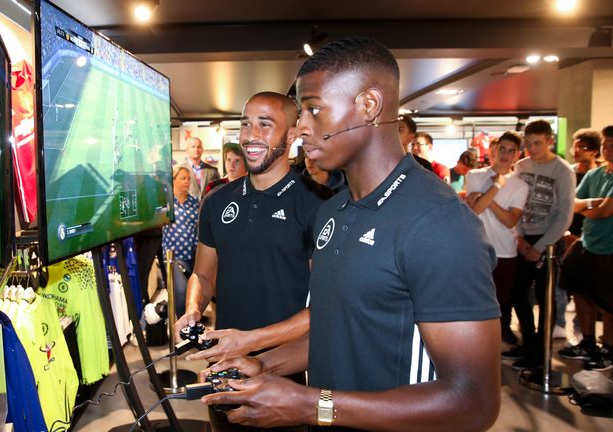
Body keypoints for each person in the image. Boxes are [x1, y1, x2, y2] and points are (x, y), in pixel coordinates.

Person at [202, 37, 501, 431]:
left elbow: (473, 402)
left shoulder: (438, 223)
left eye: (313, 110)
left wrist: (311, 405)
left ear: (369, 106)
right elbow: (336, 333)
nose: (301, 129)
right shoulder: (332, 211)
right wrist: (263, 364)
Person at [175, 91, 330, 431]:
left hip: (291, 374)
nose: (250, 135)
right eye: (245, 124)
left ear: (291, 136)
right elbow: (203, 273)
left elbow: (326, 307)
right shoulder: (216, 201)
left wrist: (251, 341)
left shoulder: (316, 205)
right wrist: (193, 307)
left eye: (265, 124)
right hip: (226, 368)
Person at [501, 120, 575, 370]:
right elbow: (515, 204)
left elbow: (565, 214)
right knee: (517, 293)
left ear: (549, 141)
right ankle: (530, 343)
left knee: (546, 297)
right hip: (523, 237)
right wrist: (520, 237)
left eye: (537, 143)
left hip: (550, 240)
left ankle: (541, 351)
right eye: (528, 143)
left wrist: (541, 246)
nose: (532, 148)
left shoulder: (563, 171)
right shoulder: (521, 166)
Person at [559, 125, 613, 371]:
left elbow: (605, 212)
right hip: (587, 242)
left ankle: (609, 349)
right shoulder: (594, 175)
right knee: (580, 291)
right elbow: (573, 203)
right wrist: (593, 204)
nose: (608, 150)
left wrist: (590, 208)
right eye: (605, 145)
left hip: (610, 248)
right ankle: (588, 342)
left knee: (609, 301)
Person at [465, 132, 528, 345]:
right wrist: (495, 188)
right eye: (503, 149)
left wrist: (487, 197)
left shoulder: (520, 185)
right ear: (495, 149)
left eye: (511, 151)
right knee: (475, 299)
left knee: (500, 303)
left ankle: (494, 347)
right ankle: (476, 345)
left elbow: (510, 220)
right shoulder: (475, 175)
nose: (506, 154)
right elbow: (474, 212)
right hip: (476, 249)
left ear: (517, 155)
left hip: (505, 251)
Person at [161, 166, 200, 316]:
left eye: (189, 178)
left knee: (193, 293)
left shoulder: (194, 202)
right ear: (174, 180)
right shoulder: (166, 203)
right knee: (181, 292)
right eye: (183, 178)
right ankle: (182, 326)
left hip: (193, 256)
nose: (187, 181)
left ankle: (191, 323)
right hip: (174, 257)